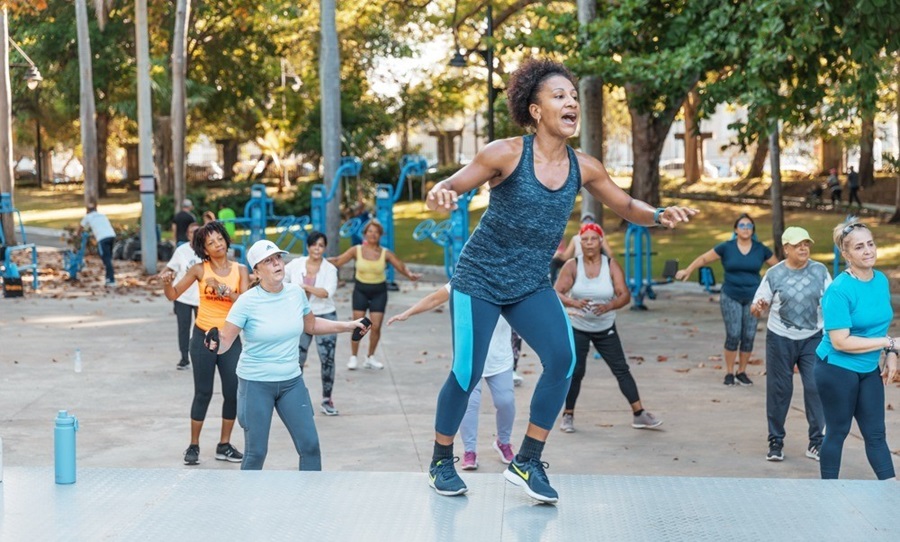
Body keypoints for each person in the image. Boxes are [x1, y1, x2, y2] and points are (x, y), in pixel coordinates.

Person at [425, 58, 696, 503]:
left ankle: (527, 461)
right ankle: (440, 461)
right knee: (467, 371)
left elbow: (625, 205)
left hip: (530, 282)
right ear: (535, 110)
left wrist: (659, 215)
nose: (571, 102)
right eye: (559, 96)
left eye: (573, 96)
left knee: (562, 360)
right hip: (480, 277)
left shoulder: (583, 166)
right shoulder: (504, 154)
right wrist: (441, 192)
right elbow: (452, 185)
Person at [205, 240, 368, 470]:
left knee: (310, 447)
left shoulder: (295, 294)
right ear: (257, 271)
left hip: (291, 382)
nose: (277, 263)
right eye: (268, 261)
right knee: (256, 453)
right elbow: (225, 342)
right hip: (256, 383)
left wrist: (349, 325)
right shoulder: (247, 302)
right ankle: (245, 504)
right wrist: (213, 343)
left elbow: (311, 325)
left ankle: (310, 502)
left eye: (278, 258)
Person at [388, 284, 518, 470]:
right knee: (469, 406)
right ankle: (469, 451)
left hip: (500, 357)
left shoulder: (510, 281)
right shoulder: (467, 277)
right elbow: (435, 298)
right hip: (469, 355)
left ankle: (503, 442)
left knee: (506, 402)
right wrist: (408, 313)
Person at [553, 222, 662, 433]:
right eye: (584, 239)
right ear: (579, 242)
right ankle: (568, 415)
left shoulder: (610, 265)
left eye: (593, 239)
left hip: (605, 327)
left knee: (621, 369)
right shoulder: (572, 265)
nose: (589, 243)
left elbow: (625, 295)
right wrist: (574, 303)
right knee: (576, 372)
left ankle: (639, 414)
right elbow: (556, 292)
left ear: (601, 241)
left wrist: (609, 306)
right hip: (579, 326)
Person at [813, 220, 897, 480]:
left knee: (875, 434)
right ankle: (828, 490)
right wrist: (889, 344)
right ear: (846, 255)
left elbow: (878, 326)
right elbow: (841, 341)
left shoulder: (880, 280)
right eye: (859, 247)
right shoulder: (838, 290)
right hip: (836, 369)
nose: (868, 251)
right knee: (838, 431)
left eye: (870, 244)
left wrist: (891, 353)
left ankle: (891, 490)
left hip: (868, 368)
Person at [163, 221, 249, 466]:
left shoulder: (240, 270)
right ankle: (193, 445)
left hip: (230, 339)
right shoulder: (199, 270)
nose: (217, 244)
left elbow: (244, 303)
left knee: (232, 392)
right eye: (210, 243)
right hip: (203, 337)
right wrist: (166, 281)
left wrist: (222, 289)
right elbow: (173, 294)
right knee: (203, 392)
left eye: (219, 238)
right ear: (204, 249)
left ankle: (224, 445)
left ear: (225, 239)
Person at [751, 226, 830, 462]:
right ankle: (775, 441)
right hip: (780, 338)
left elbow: (833, 300)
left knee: (816, 387)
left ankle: (816, 442)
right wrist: (758, 308)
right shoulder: (774, 274)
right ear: (786, 249)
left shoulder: (820, 270)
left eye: (806, 243)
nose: (803, 248)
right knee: (779, 390)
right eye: (797, 245)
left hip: (813, 338)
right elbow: (756, 307)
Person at [675, 214, 778, 387]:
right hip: (731, 295)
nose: (746, 228)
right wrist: (688, 270)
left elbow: (777, 268)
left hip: (754, 298)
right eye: (742, 225)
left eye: (749, 226)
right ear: (735, 229)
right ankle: (729, 372)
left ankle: (742, 372)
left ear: (753, 230)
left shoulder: (761, 249)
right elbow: (704, 258)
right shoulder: (726, 247)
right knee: (734, 333)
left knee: (749, 335)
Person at [329, 219, 421, 370]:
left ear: (380, 235)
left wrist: (410, 275)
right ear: (365, 234)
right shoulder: (356, 250)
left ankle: (370, 357)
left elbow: (400, 266)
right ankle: (353, 357)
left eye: (376, 232)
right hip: (361, 291)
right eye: (370, 231)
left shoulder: (385, 253)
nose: (373, 234)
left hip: (379, 292)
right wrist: (317, 260)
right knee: (357, 326)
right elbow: (338, 261)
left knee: (376, 326)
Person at [284, 231, 341, 416]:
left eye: (321, 245)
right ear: (308, 247)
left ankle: (327, 398)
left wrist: (306, 287)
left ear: (324, 248)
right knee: (297, 359)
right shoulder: (295, 264)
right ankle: (296, 399)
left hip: (325, 315)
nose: (317, 248)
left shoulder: (330, 269)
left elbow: (327, 292)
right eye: (314, 245)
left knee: (328, 359)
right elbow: (281, 281)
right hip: (299, 316)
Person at [162, 222, 202, 370]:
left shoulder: (207, 250)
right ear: (188, 235)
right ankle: (184, 358)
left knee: (201, 329)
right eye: (192, 232)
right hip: (183, 296)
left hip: (201, 298)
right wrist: (160, 276)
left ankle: (202, 356)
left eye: (198, 231)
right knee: (183, 327)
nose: (195, 234)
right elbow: (170, 266)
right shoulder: (181, 251)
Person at [76, 202, 116, 286]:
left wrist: (77, 235)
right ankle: (109, 277)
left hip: (102, 238)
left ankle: (111, 279)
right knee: (109, 258)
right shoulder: (102, 215)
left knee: (106, 259)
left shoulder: (88, 217)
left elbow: (80, 228)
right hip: (111, 236)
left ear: (87, 211)